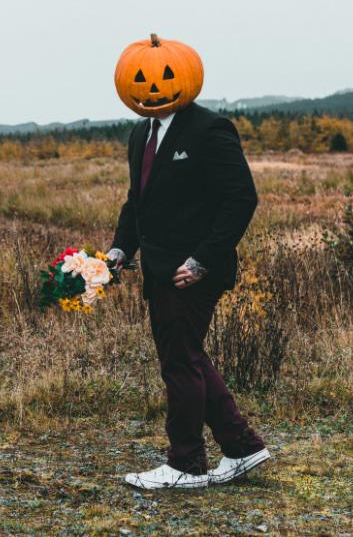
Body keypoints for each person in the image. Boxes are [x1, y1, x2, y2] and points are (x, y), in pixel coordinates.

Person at [108, 34, 270, 489]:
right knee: (187, 356)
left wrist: (202, 260)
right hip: (158, 269)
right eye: (141, 78)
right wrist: (121, 250)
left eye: (160, 78)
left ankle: (185, 464)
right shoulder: (141, 133)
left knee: (179, 362)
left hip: (193, 272)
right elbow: (136, 202)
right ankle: (242, 447)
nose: (151, 87)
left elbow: (241, 199)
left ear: (185, 77)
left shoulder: (209, 129)